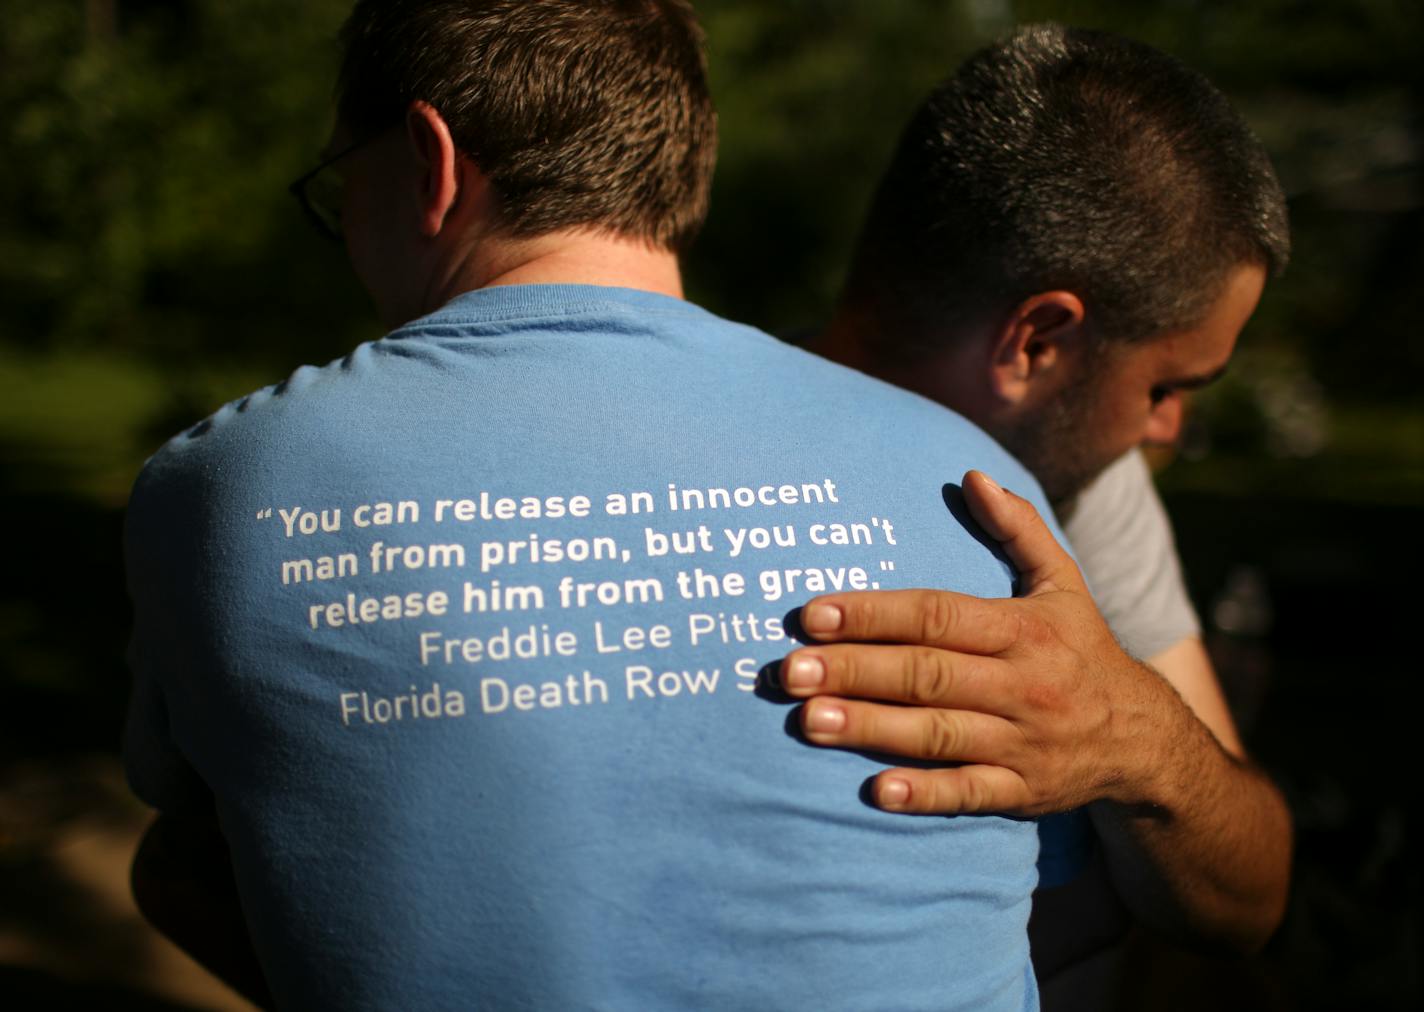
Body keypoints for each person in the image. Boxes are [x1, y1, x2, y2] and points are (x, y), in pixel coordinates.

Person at [123, 3, 1077, 1008]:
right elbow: (1048, 893)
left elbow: (199, 847)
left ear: (427, 163)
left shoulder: (223, 489)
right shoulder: (967, 480)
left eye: (340, 186)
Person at [784, 21, 1294, 985]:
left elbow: (1249, 900)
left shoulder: (1082, 484)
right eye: (1166, 386)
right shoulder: (702, 466)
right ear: (1037, 342)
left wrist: (1133, 734)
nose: (1169, 431)